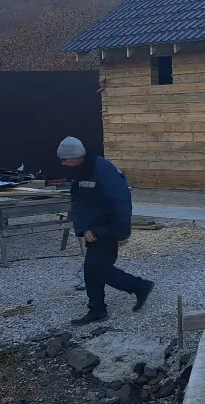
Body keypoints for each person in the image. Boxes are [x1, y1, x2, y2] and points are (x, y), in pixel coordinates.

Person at [57, 137, 154, 324]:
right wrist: (84, 228)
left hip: (107, 228)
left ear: (76, 156)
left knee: (97, 269)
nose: (63, 163)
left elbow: (121, 202)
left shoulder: (102, 170)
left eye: (65, 159)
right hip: (95, 229)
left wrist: (121, 233)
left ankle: (139, 286)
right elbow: (83, 204)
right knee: (91, 269)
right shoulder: (83, 170)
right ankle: (97, 309)